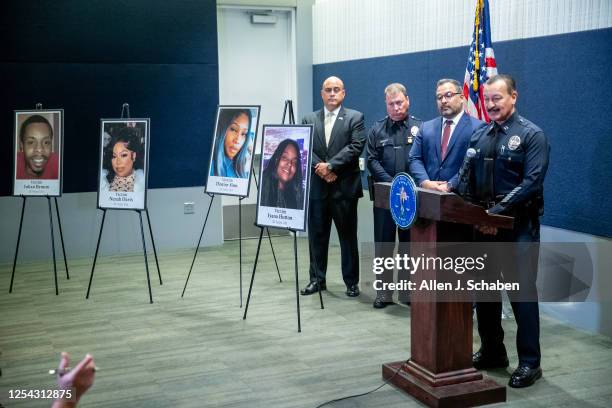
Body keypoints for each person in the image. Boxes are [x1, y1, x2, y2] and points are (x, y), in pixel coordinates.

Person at [464, 74, 549, 388]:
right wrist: (476, 214)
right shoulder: (481, 134)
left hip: (518, 229)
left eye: (497, 98)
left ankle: (530, 363)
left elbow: (531, 183)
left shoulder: (531, 135)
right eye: (487, 99)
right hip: (484, 228)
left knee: (521, 296)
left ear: (514, 96)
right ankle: (492, 352)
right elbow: (467, 181)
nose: (491, 104)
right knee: (485, 295)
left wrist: (495, 214)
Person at [300, 76, 366, 298]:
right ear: (321, 93)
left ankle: (351, 283)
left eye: (336, 89)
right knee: (317, 237)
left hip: (344, 189)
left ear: (343, 93)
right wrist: (320, 168)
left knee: (347, 238)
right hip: (317, 189)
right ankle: (317, 280)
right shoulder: (308, 118)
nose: (332, 93)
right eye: (328, 90)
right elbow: (303, 146)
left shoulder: (355, 117)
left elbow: (356, 146)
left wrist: (330, 166)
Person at [409, 78, 486, 243]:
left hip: (459, 207)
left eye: (448, 95)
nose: (443, 100)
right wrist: (425, 182)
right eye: (439, 97)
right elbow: (414, 158)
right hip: (427, 207)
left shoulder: (478, 128)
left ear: (462, 97)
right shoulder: (426, 127)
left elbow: (473, 165)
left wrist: (450, 185)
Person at [366, 83, 422, 308]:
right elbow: (371, 160)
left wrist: (406, 186)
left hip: (412, 199)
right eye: (392, 104)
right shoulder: (377, 130)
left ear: (407, 100)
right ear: (386, 105)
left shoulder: (420, 128)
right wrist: (393, 183)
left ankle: (407, 293)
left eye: (400, 102)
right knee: (384, 245)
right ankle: (383, 293)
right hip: (385, 198)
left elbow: (425, 160)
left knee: (410, 246)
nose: (396, 107)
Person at [260, 138, 304, 210]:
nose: (289, 164)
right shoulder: (264, 189)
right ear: (276, 159)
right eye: (284, 158)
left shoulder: (298, 195)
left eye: (294, 162)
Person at [209, 109, 254, 178]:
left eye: (243, 134)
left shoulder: (244, 168)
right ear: (222, 128)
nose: (237, 140)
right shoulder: (210, 166)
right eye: (233, 129)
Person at [100, 126, 145, 193]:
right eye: (114, 156)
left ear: (134, 156)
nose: (118, 162)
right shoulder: (103, 180)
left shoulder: (141, 181)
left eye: (123, 155)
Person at [15, 114, 59, 179]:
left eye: (46, 142)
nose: (39, 149)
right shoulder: (14, 165)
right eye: (31, 142)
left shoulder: (58, 163)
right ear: (22, 145)